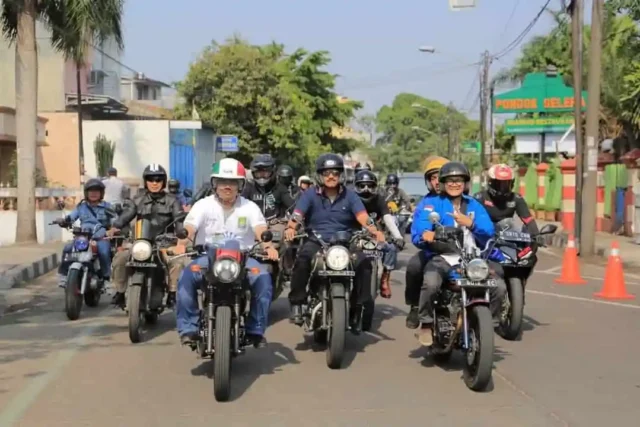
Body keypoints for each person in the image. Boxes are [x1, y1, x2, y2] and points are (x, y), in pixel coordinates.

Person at [174, 158, 278, 347]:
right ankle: (189, 328)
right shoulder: (203, 205)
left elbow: (261, 228)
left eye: (233, 182)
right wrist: (183, 241)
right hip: (208, 257)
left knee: (263, 278)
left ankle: (255, 330)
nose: (227, 187)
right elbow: (190, 226)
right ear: (214, 184)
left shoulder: (249, 207)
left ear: (241, 185)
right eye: (222, 182)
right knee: (185, 278)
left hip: (243, 258)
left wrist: (268, 246)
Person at [284, 153, 385, 330]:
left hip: (346, 241)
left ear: (341, 175)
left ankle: (357, 308)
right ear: (320, 175)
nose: (331, 176)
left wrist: (374, 230)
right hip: (317, 240)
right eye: (327, 172)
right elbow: (298, 214)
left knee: (364, 264)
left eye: (335, 173)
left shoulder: (351, 196)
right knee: (302, 260)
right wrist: (291, 228)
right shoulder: (309, 195)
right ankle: (297, 304)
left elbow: (362, 216)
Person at [411, 161, 507, 345]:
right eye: (450, 180)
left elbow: (488, 230)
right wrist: (427, 234)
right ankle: (426, 323)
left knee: (499, 287)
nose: (454, 184)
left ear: (465, 183)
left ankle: (489, 325)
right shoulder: (431, 204)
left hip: (473, 259)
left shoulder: (474, 206)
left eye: (459, 180)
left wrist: (470, 223)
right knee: (431, 283)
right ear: (443, 183)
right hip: (443, 257)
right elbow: (420, 228)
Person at [107, 164, 185, 308]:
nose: (154, 183)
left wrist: (181, 232)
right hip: (140, 242)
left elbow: (179, 220)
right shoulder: (137, 199)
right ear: (145, 181)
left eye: (158, 179)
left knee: (177, 262)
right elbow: (126, 215)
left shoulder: (173, 200)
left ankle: (172, 294)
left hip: (164, 243)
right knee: (120, 259)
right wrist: (115, 227)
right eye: (150, 179)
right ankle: (119, 291)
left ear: (163, 181)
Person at [404, 156, 450, 328]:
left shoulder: (467, 201)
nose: (437, 181)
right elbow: (418, 231)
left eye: (441, 175)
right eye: (433, 177)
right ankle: (415, 306)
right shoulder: (426, 204)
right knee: (414, 266)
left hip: (462, 253)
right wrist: (426, 235)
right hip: (433, 252)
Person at [55, 179, 116, 288]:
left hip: (100, 238)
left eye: (96, 191)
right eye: (90, 191)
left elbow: (116, 219)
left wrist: (113, 228)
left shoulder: (107, 206)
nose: (93, 194)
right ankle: (64, 275)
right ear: (86, 193)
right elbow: (71, 217)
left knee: (104, 251)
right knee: (68, 248)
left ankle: (107, 278)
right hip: (83, 238)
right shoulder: (81, 207)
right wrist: (64, 221)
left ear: (101, 193)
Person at [353, 170, 405, 298]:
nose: (366, 189)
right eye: (362, 186)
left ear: (375, 187)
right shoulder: (351, 199)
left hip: (374, 236)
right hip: (353, 237)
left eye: (370, 186)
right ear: (356, 186)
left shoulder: (379, 200)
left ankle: (385, 279)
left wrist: (398, 236)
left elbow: (388, 218)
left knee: (391, 248)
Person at [473, 164, 540, 235]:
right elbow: (470, 219)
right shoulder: (480, 198)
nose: (503, 188)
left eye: (506, 184)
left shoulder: (516, 198)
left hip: (507, 235)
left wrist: (536, 234)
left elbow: (528, 219)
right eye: (499, 184)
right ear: (491, 182)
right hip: (484, 236)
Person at [242, 154, 295, 220]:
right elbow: (239, 207)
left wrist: (293, 224)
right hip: (252, 224)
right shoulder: (248, 188)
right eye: (258, 173)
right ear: (253, 173)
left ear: (272, 172)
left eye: (265, 173)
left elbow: (293, 207)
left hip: (275, 224)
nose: (262, 177)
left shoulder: (280, 188)